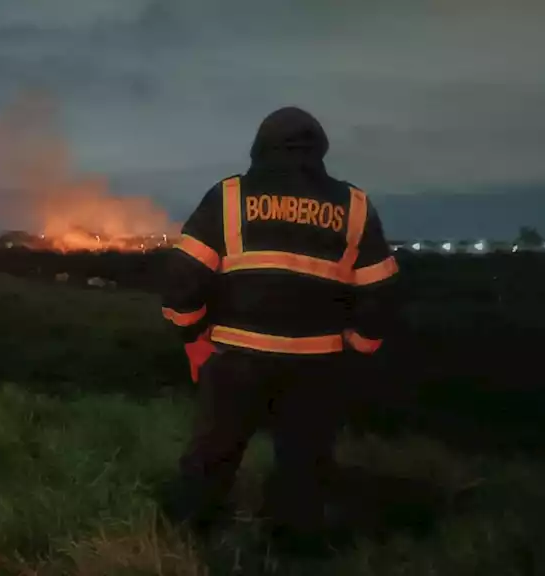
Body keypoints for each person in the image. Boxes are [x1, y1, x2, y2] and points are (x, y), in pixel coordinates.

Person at [158, 107, 400, 554]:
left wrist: (194, 340)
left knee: (212, 456)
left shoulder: (229, 197)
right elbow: (380, 293)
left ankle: (180, 547)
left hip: (234, 361)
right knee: (304, 466)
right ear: (319, 151)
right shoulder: (355, 206)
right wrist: (357, 350)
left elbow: (182, 280)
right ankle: (291, 553)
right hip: (318, 367)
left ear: (259, 147)